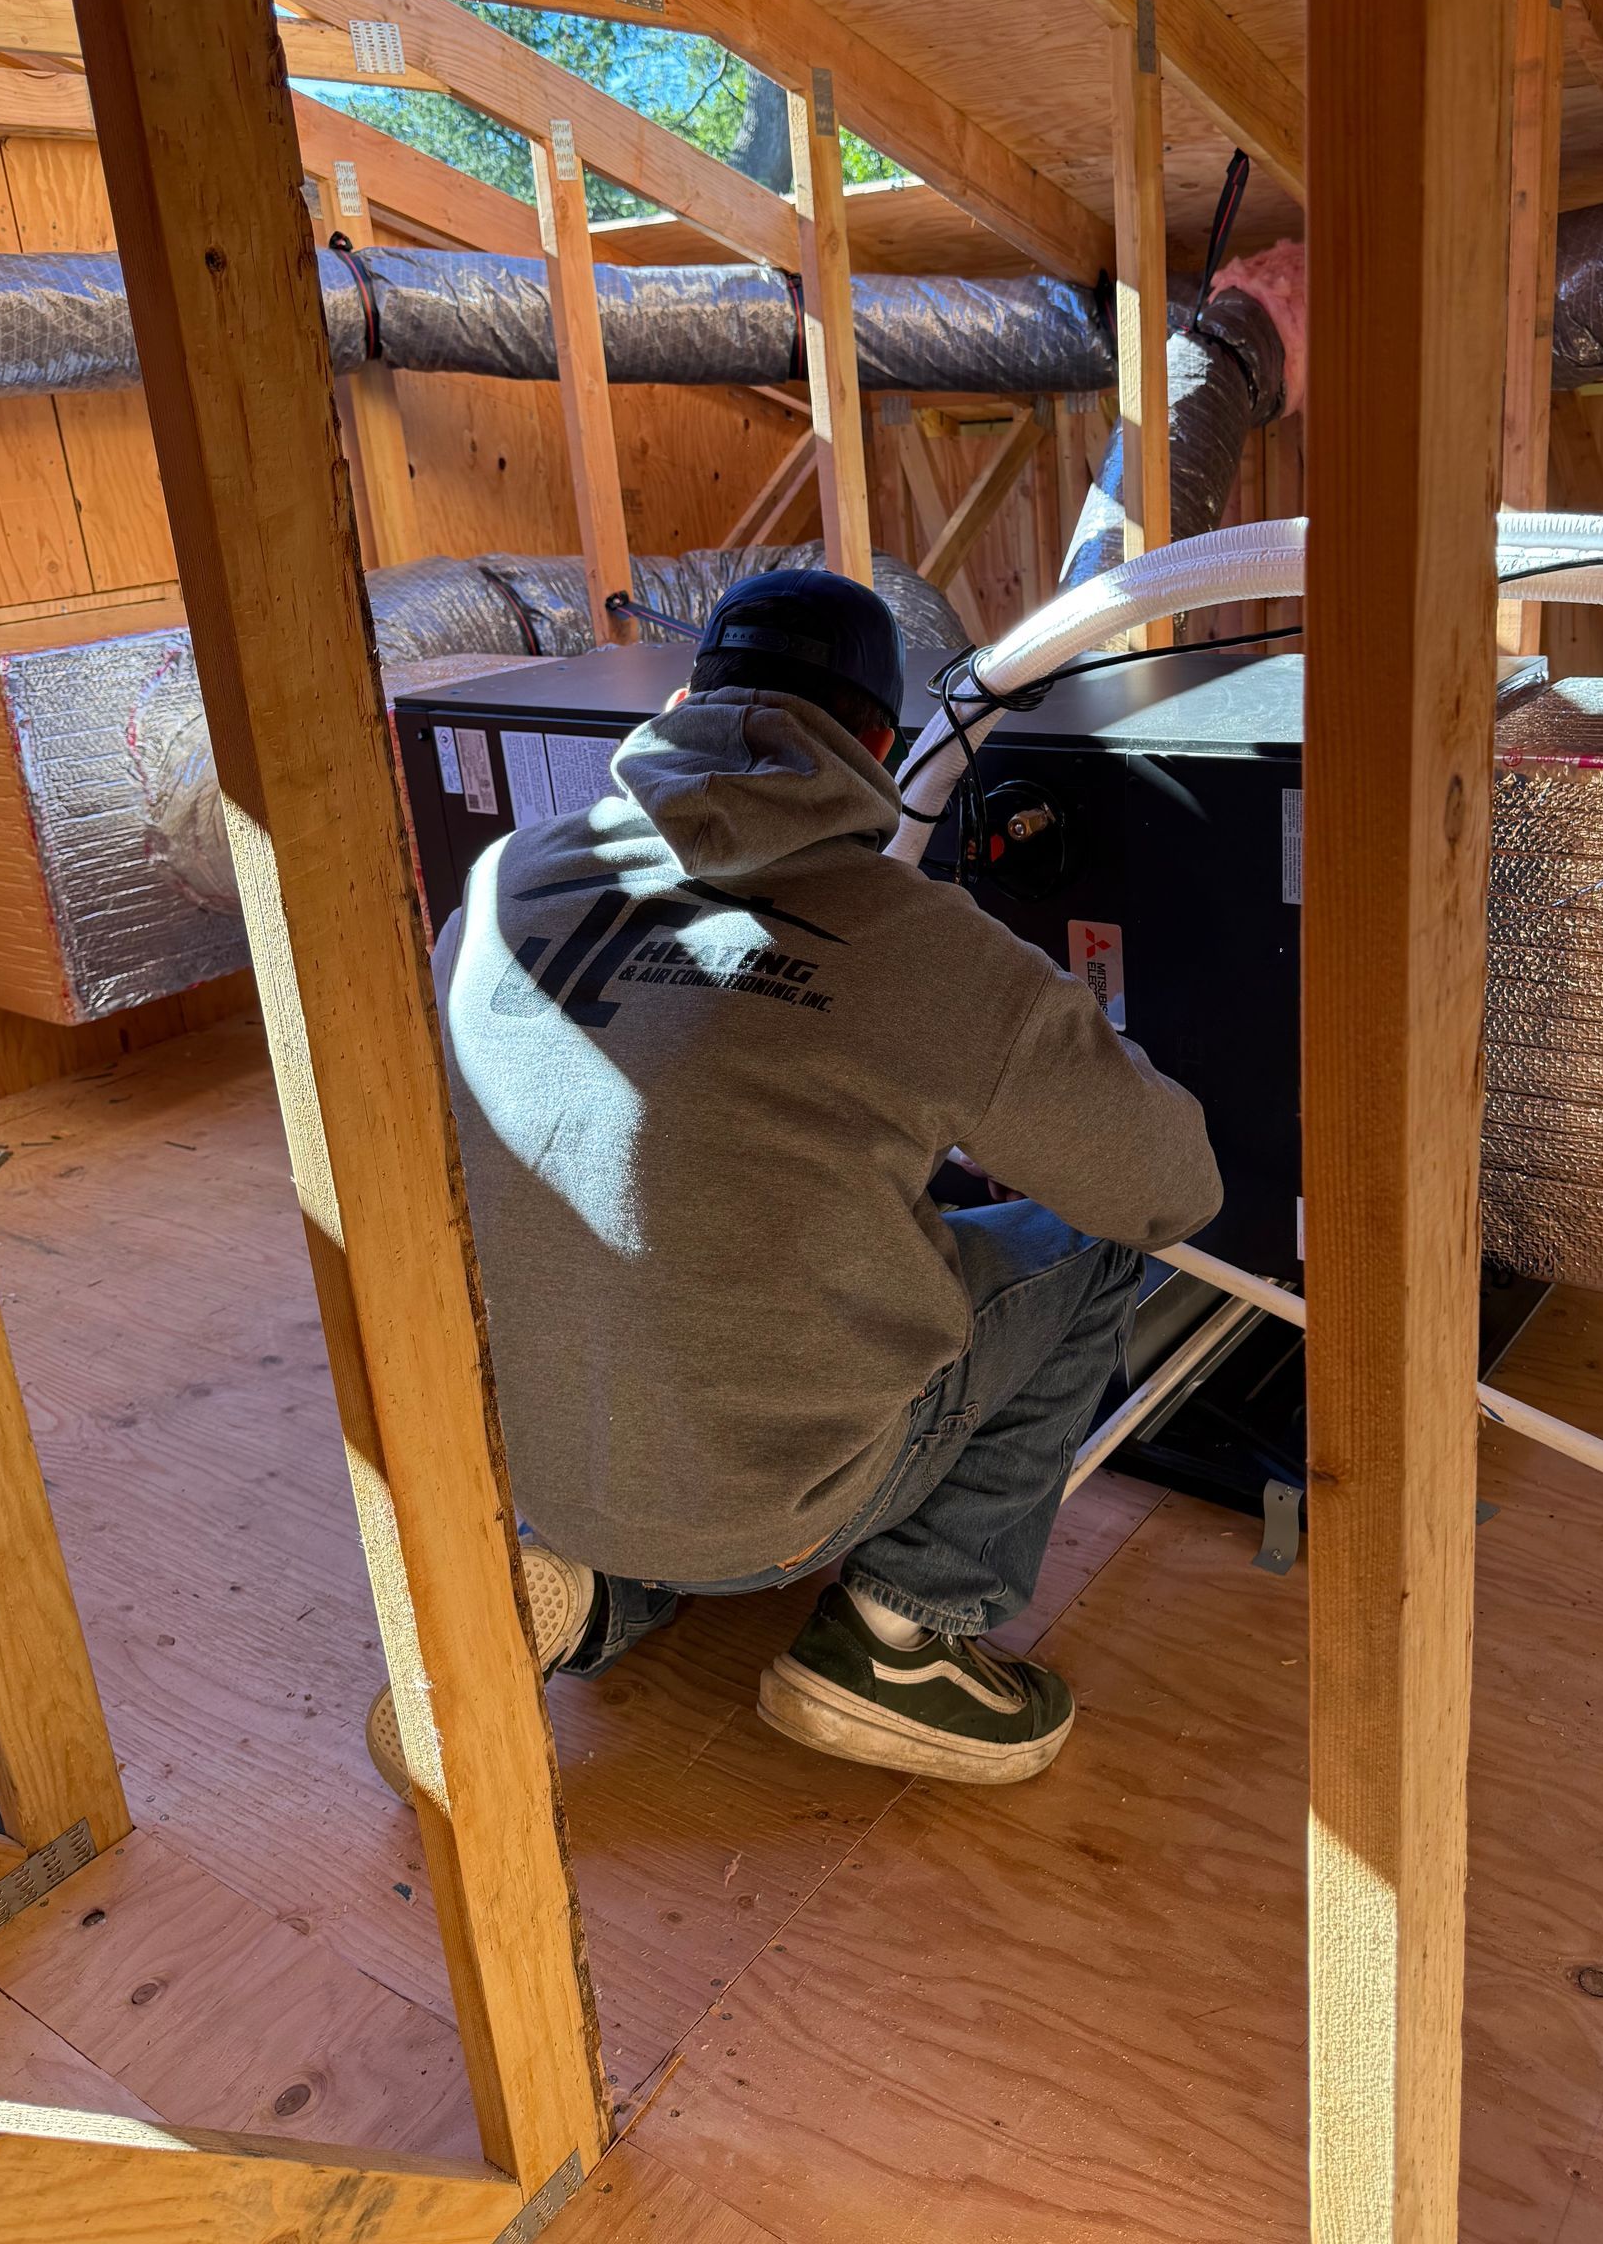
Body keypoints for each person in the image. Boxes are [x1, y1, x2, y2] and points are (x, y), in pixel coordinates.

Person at [366, 568, 1220, 1798]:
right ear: (880, 743)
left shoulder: (502, 880)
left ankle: (588, 1586)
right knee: (1086, 1245)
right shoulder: (928, 950)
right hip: (783, 1504)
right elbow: (1167, 1186)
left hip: (534, 1463)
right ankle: (903, 1634)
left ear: (684, 698)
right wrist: (1065, 1058)